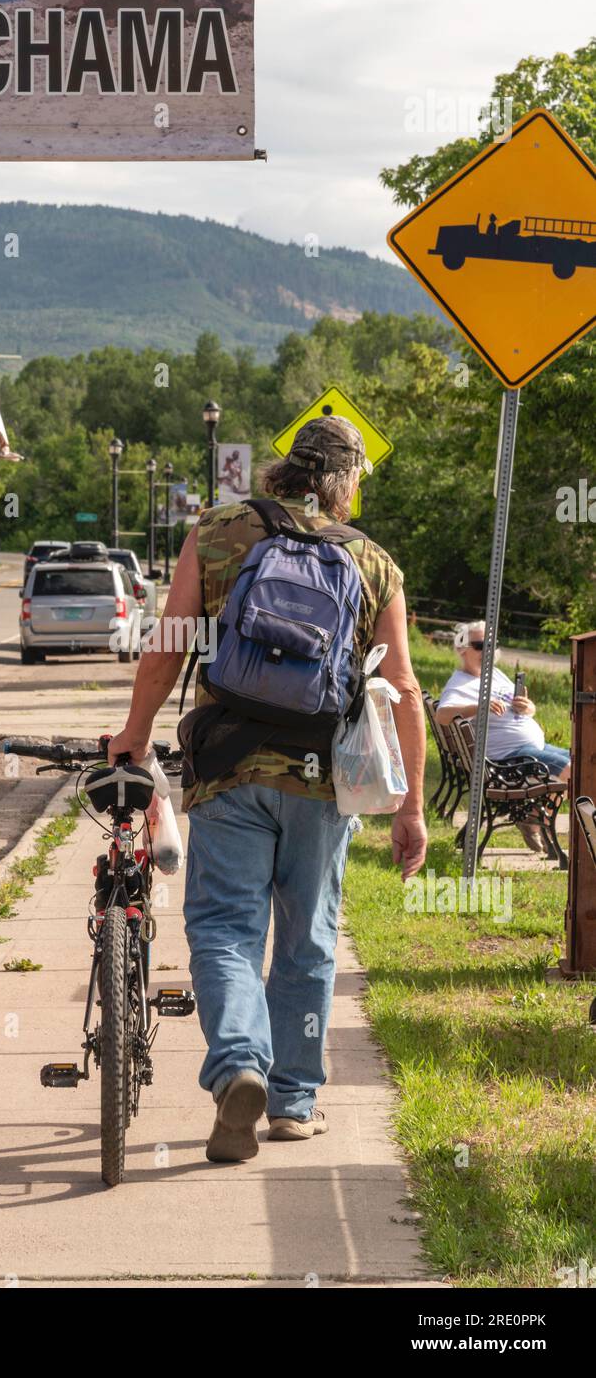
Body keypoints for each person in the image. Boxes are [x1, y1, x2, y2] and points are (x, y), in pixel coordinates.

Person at [108, 417, 427, 1163]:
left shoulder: (217, 530)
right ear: (347, 481)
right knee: (308, 938)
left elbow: (171, 643)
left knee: (223, 930)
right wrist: (409, 805)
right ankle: (292, 1102)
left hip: (228, 768)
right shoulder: (371, 561)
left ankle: (237, 1067)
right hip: (325, 779)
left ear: (287, 468)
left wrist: (133, 730)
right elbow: (404, 689)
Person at [435, 620, 569, 850]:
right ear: (461, 649)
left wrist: (527, 707)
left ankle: (536, 817)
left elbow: (526, 708)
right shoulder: (460, 684)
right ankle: (540, 820)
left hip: (531, 747)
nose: (487, 652)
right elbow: (442, 715)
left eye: (492, 646)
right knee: (575, 770)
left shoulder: (493, 674)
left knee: (586, 762)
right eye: (480, 646)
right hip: (508, 758)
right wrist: (478, 706)